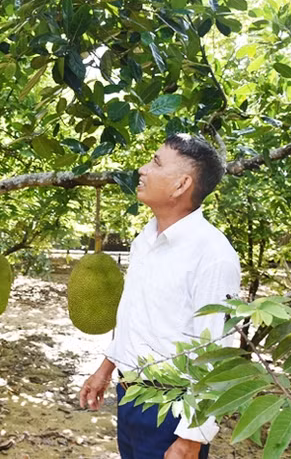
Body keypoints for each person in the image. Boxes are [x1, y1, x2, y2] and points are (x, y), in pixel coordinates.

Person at [79, 133, 241, 459]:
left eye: (155, 162)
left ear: (181, 185)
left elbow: (215, 354)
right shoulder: (146, 238)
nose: (142, 169)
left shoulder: (213, 255)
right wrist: (106, 368)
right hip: (131, 401)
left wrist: (191, 439)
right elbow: (135, 316)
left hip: (174, 413)